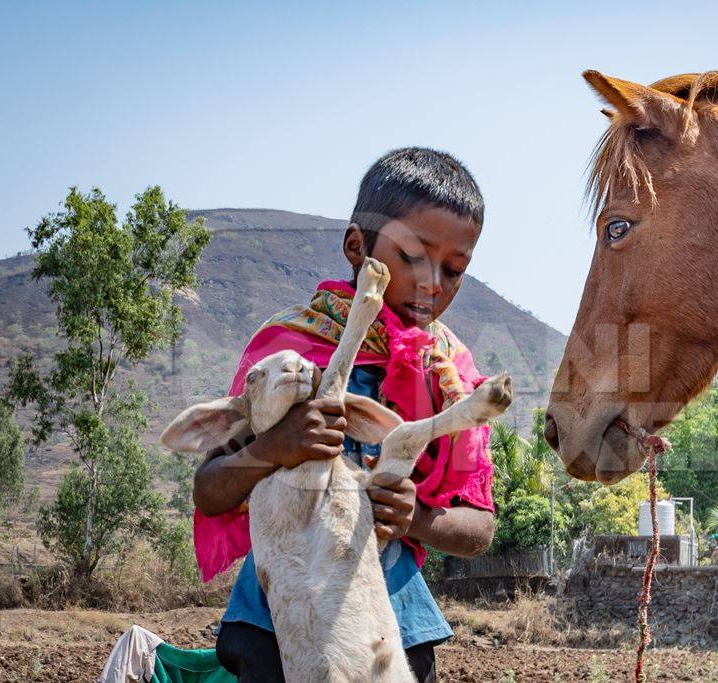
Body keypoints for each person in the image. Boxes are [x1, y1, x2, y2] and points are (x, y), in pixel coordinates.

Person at [192, 147, 496, 683]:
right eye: (412, 257)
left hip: (393, 630)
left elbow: (479, 529)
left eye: (453, 270)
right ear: (357, 247)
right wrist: (271, 448)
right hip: (276, 622)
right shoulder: (287, 357)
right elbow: (211, 489)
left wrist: (416, 519)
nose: (432, 284)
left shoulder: (453, 379)